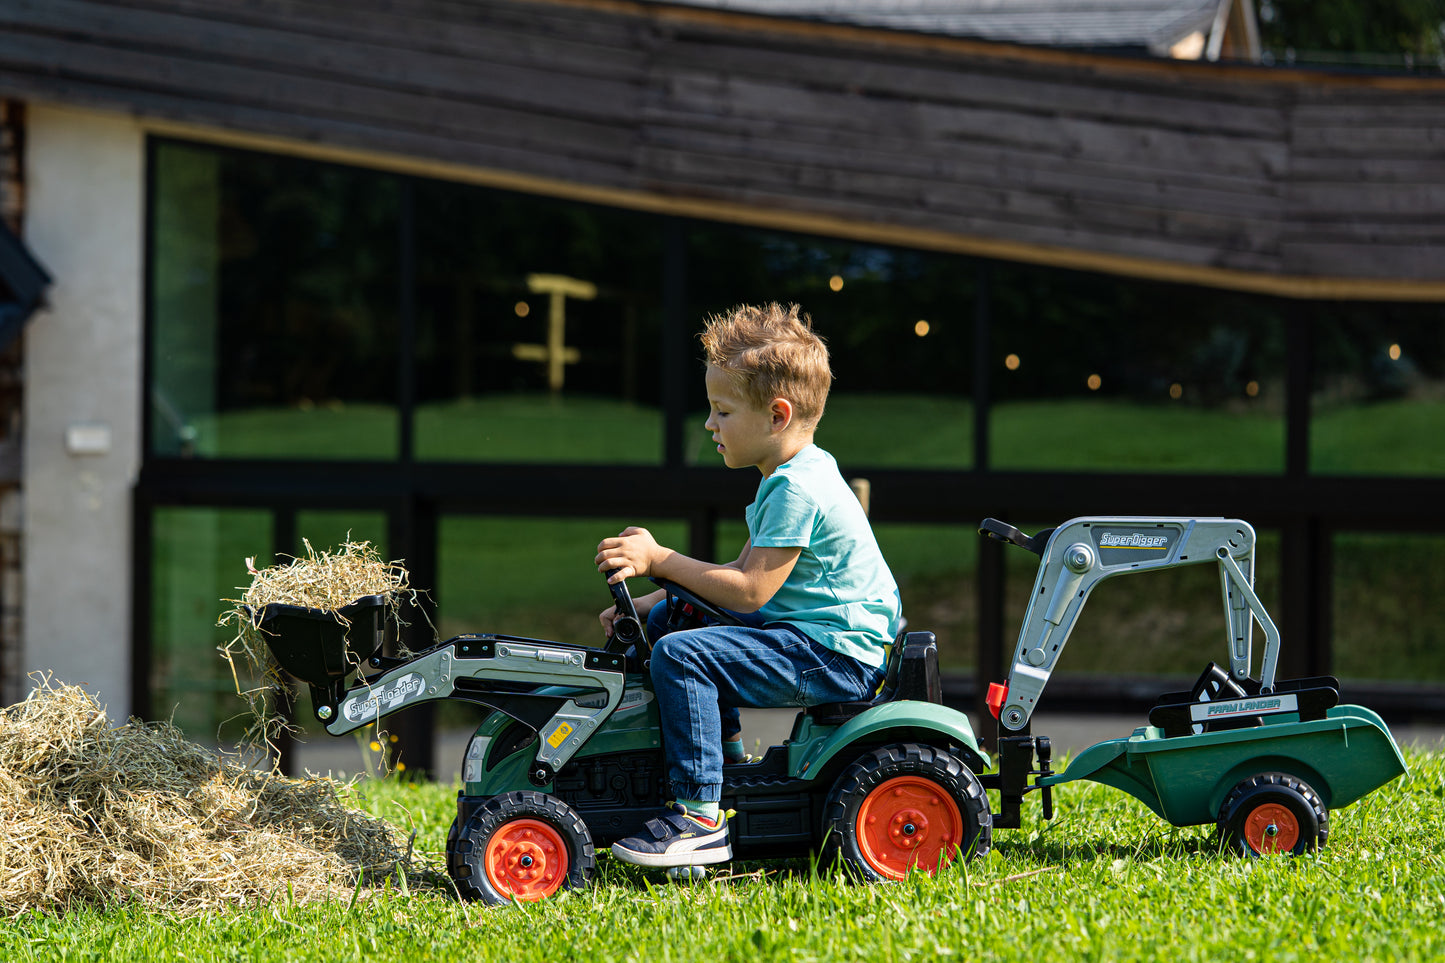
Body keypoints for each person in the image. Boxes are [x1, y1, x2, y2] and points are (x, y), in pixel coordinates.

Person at [595, 302, 902, 868]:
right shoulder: (792, 474)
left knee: (683, 656)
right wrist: (654, 600)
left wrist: (660, 558)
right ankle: (725, 766)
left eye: (722, 411)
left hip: (834, 655)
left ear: (777, 415)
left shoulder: (795, 490)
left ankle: (699, 818)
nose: (710, 424)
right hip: (811, 636)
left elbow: (749, 592)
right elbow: (735, 577)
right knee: (674, 622)